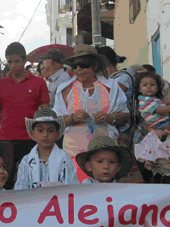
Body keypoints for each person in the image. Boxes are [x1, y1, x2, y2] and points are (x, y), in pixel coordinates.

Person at [54, 45, 129, 181]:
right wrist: (72, 118)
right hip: (74, 149)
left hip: (105, 150)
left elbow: (125, 115)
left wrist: (109, 117)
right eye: (75, 66)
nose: (78, 69)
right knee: (77, 186)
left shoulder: (110, 87)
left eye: (83, 65)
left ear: (94, 65)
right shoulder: (64, 89)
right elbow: (56, 121)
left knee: (104, 189)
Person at [0, 42, 50, 188]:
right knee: (5, 180)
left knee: (33, 179)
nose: (13, 65)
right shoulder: (0, 84)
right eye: (9, 62)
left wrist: (45, 137)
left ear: (24, 61)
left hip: (31, 138)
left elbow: (45, 112)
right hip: (6, 138)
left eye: (16, 61)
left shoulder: (39, 82)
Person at [133, 71, 170, 182]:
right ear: (139, 89)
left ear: (158, 87)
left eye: (152, 85)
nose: (149, 87)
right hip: (158, 126)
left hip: (164, 124)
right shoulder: (144, 100)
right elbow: (160, 110)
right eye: (145, 85)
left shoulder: (155, 100)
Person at [14, 109, 75, 189]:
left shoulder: (65, 159)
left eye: (50, 130)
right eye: (40, 130)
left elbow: (72, 188)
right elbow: (21, 189)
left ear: (58, 134)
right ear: (32, 134)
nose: (45, 134)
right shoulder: (26, 161)